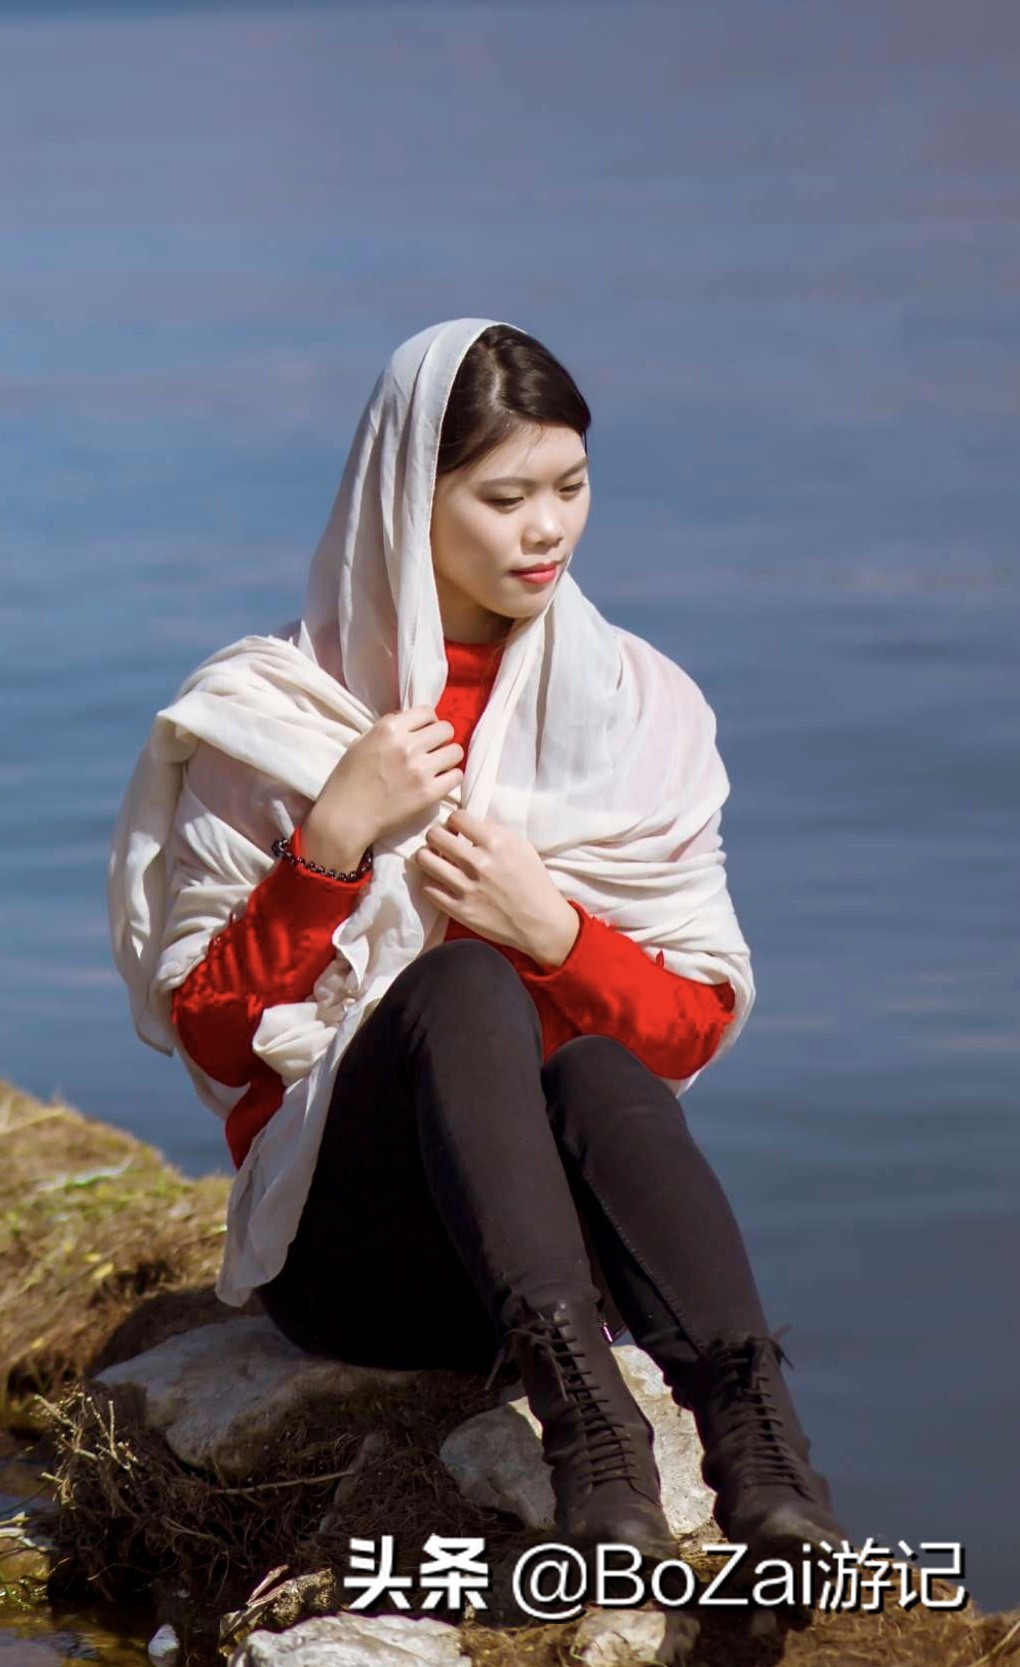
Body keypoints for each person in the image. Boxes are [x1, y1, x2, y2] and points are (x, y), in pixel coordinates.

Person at [104, 319, 846, 1561]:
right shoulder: (276, 711)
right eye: (503, 497)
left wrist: (551, 929)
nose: (545, 528)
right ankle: (589, 1431)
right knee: (455, 982)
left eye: (570, 486)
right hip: (356, 1255)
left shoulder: (635, 704)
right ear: (407, 497)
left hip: (562, 1246)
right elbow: (215, 1037)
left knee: (601, 1068)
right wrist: (328, 842)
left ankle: (759, 1446)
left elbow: (690, 1021)